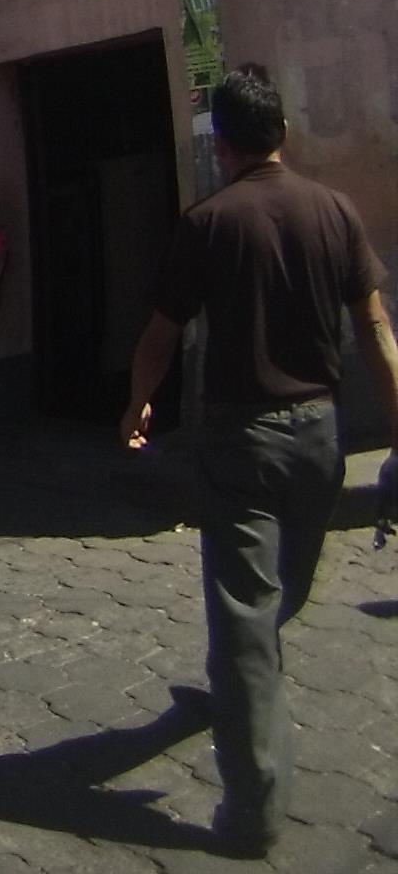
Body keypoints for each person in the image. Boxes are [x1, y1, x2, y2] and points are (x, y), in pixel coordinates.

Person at [120, 65, 398, 856]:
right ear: (283, 134)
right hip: (320, 436)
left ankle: (251, 813)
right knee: (275, 599)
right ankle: (245, 710)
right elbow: (377, 332)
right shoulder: (335, 212)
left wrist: (139, 402)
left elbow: (160, 333)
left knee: (248, 622)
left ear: (225, 144)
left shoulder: (208, 222)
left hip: (240, 439)